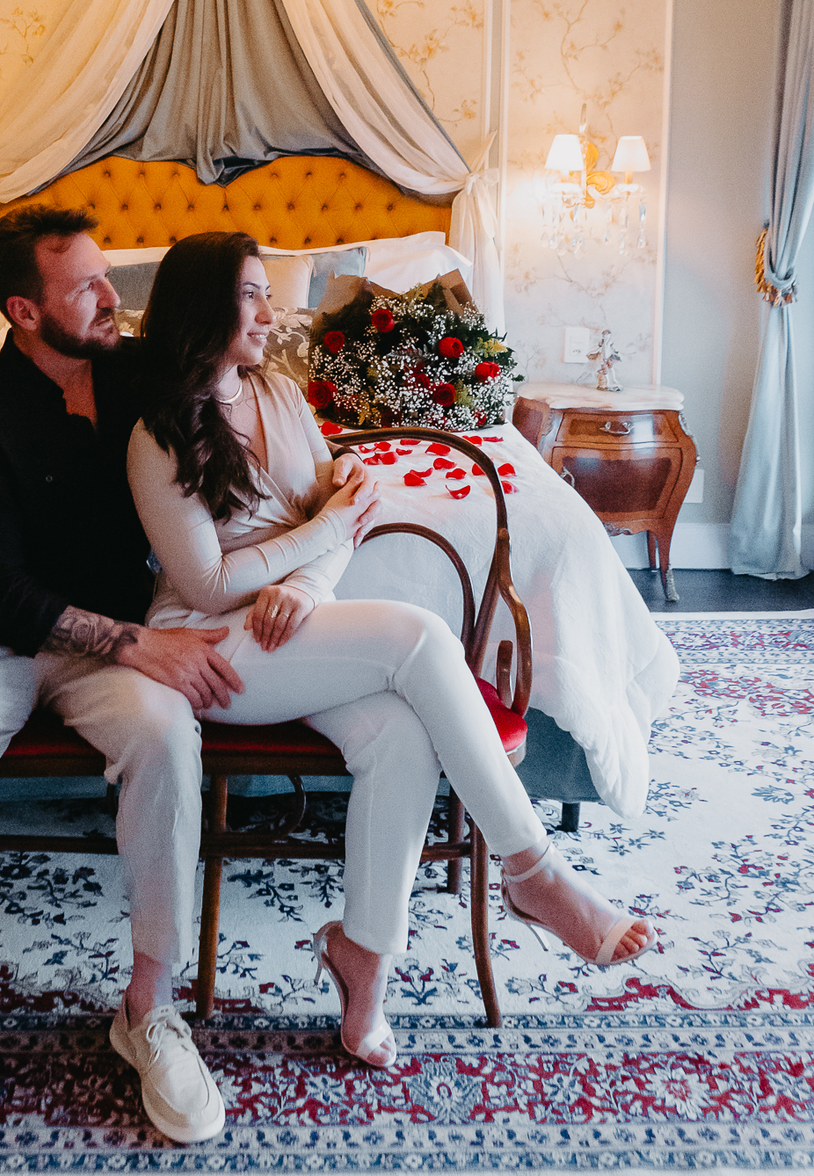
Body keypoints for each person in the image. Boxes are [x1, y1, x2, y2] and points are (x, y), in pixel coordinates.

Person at [127, 231, 655, 1069]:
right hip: (212, 644)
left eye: (267, 291)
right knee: (419, 634)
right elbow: (208, 582)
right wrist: (323, 534)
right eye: (252, 294)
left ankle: (363, 961)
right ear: (203, 310)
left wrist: (310, 583)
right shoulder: (157, 434)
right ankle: (533, 871)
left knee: (402, 737)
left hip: (294, 623)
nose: (271, 312)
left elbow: (348, 509)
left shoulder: (280, 393)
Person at [0, 208, 240, 1152]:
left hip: (111, 645)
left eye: (108, 276)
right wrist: (134, 643)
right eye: (87, 288)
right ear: (25, 311)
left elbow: (240, 383)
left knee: (168, 736)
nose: (115, 298)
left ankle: (149, 1009)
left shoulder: (142, 375)